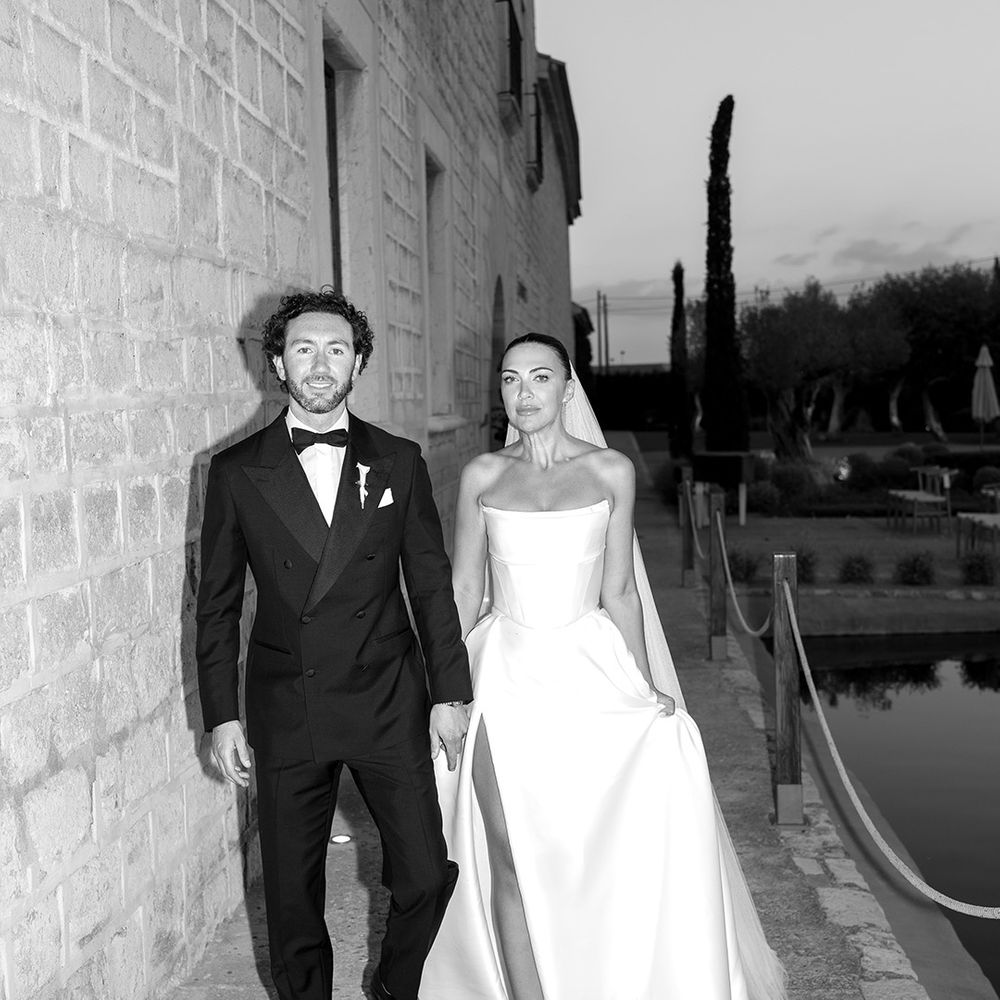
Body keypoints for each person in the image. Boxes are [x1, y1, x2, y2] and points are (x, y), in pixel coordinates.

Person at [421, 333, 787, 999]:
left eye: (540, 377)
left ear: (568, 390)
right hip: (500, 674)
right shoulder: (482, 475)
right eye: (510, 379)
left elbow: (619, 591)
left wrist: (645, 686)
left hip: (588, 674)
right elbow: (463, 589)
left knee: (583, 853)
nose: (524, 392)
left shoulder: (611, 471)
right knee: (508, 852)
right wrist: (445, 686)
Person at [195, 287, 473, 1000]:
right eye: (304, 349)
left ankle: (394, 987)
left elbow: (431, 587)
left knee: (423, 872)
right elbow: (217, 605)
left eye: (337, 350)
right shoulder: (235, 470)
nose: (320, 365)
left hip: (387, 695)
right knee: (291, 892)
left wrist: (450, 693)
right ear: (277, 365)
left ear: (358, 364)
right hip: (289, 701)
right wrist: (222, 715)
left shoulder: (400, 460)